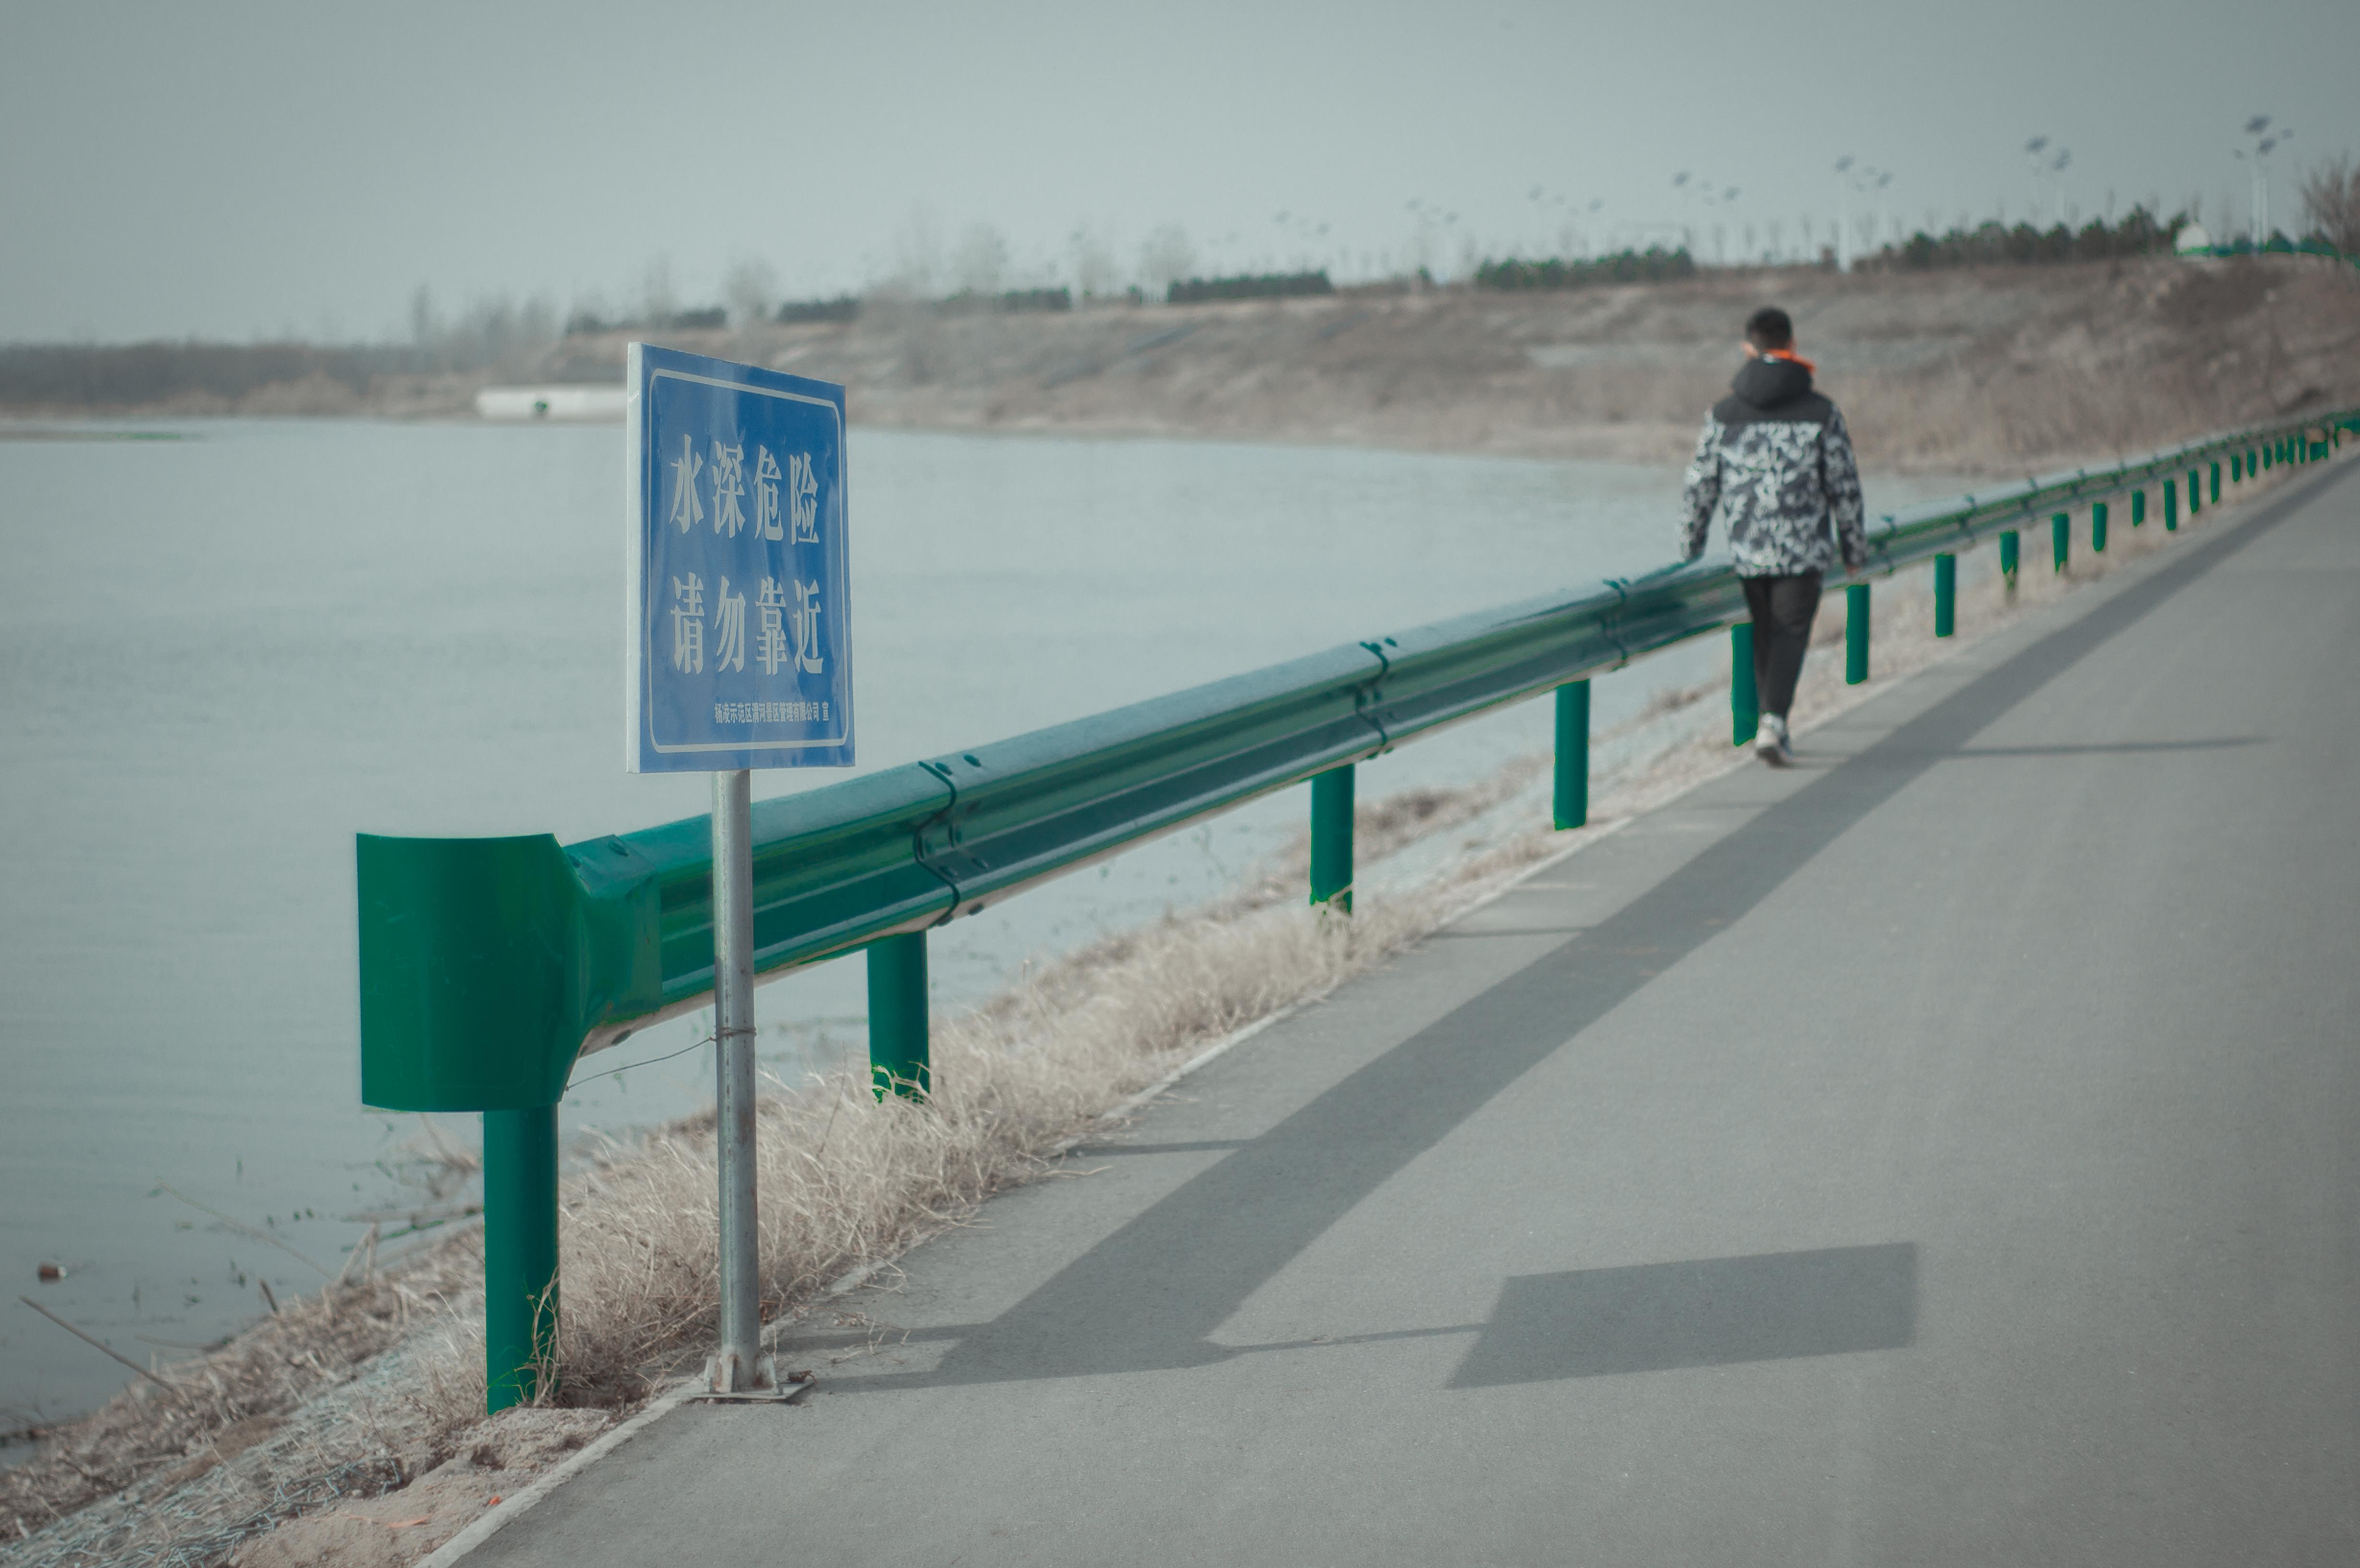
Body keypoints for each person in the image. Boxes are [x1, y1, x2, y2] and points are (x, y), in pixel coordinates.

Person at [1679, 306, 1866, 766]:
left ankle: (1771, 722)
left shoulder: (1723, 414)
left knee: (1767, 632)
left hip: (1748, 548)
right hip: (1803, 547)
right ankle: (1773, 722)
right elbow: (1843, 484)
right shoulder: (1822, 413)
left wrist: (1691, 545)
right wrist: (1853, 546)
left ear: (1749, 349)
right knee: (1790, 632)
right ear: (1793, 347)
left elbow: (1701, 484)